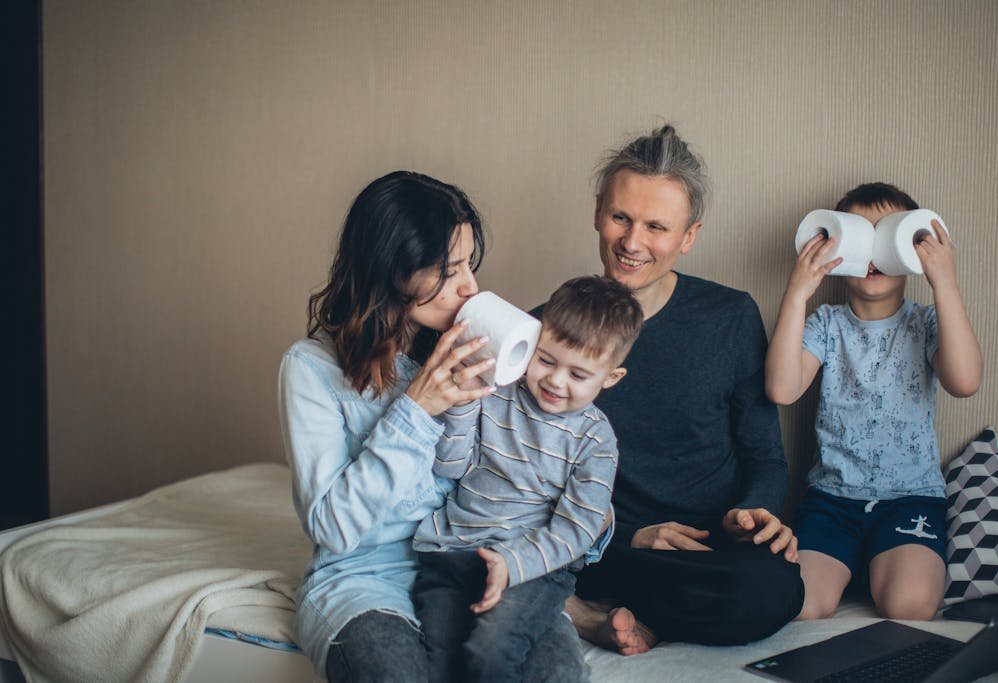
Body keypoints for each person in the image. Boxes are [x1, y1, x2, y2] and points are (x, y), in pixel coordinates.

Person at [278, 171, 589, 682]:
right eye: (449, 269)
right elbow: (333, 528)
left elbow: (528, 467)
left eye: (470, 263)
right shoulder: (311, 370)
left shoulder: (470, 349)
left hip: (472, 561)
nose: (470, 286)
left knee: (555, 673)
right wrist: (416, 410)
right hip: (364, 577)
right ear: (393, 270)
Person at [553, 125, 805, 655]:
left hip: (709, 548)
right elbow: (527, 479)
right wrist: (626, 536)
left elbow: (765, 457)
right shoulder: (549, 333)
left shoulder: (731, 318)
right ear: (599, 211)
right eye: (621, 217)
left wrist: (754, 515)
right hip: (605, 547)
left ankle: (591, 610)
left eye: (656, 227)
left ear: (688, 236)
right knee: (507, 551)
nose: (632, 242)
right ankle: (584, 608)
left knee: (774, 589)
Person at [764, 182, 982, 621]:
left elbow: (965, 381)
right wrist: (798, 291)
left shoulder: (925, 322)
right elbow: (781, 390)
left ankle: (879, 565)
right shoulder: (826, 324)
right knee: (799, 604)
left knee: (910, 606)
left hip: (909, 499)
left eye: (888, 237)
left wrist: (945, 282)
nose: (874, 254)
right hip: (831, 500)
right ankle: (856, 563)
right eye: (862, 237)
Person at [412, 275, 644, 681]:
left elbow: (579, 528)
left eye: (578, 374)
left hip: (531, 567)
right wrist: (463, 403)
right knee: (439, 665)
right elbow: (449, 468)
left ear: (610, 378)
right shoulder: (497, 393)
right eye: (547, 360)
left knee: (490, 652)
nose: (555, 381)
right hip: (450, 553)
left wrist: (513, 563)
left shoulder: (595, 440)